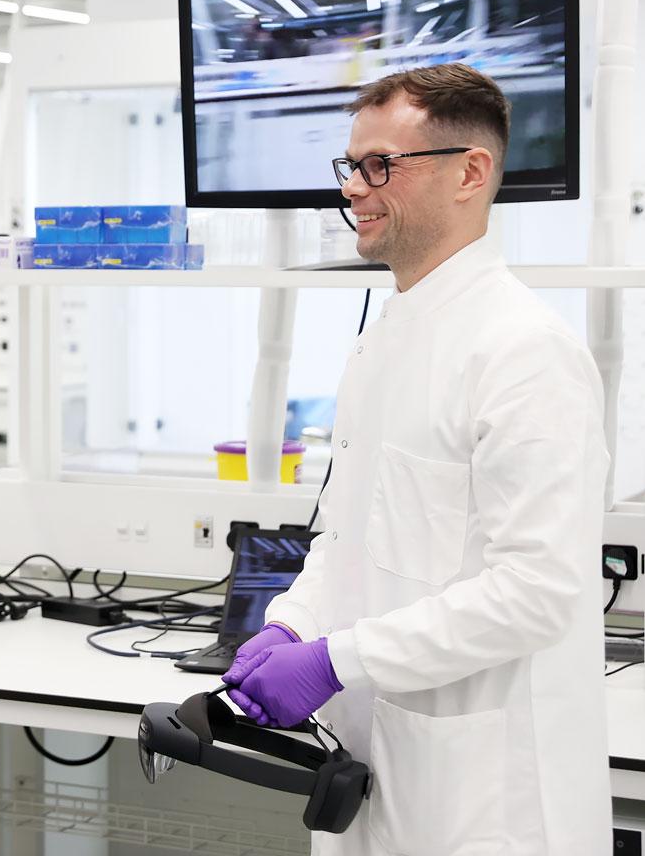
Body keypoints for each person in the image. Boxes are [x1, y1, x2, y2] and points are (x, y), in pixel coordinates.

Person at [223, 64, 610, 855]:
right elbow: (349, 535)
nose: (355, 190)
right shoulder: (382, 338)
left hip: (484, 799)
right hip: (371, 769)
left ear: (471, 172)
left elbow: (537, 592)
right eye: (351, 167)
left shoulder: (524, 351)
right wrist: (294, 623)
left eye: (380, 167)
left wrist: (340, 658)